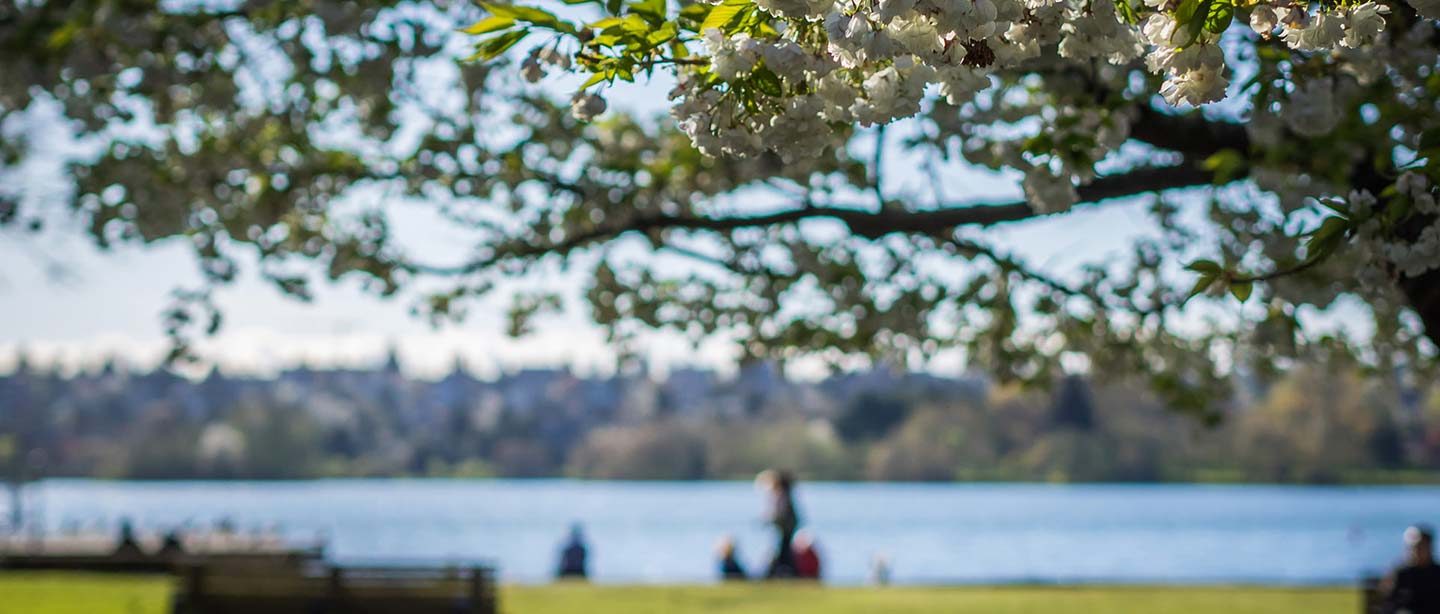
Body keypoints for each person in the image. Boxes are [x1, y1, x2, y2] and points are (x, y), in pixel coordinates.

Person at [1384, 524, 1440, 614]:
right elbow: (1391, 604)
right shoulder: (1402, 573)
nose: (1416, 550)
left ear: (1429, 547)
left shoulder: (1437, 573)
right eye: (1413, 547)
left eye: (1421, 546)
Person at [756, 469, 800, 579]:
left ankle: (785, 572)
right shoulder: (785, 492)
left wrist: (768, 520)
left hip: (785, 527)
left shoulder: (781, 494)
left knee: (784, 550)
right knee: (784, 549)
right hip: (786, 526)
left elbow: (778, 513)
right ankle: (785, 571)